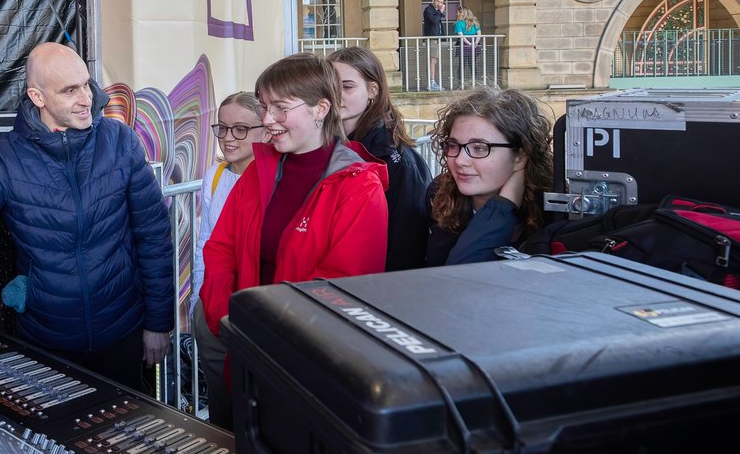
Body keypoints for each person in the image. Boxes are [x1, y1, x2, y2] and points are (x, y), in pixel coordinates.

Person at [0, 42, 173, 390]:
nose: (86, 99)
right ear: (37, 97)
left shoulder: (120, 142)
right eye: (69, 91)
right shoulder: (7, 156)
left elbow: (154, 237)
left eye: (85, 84)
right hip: (48, 341)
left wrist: (158, 323)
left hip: (121, 332)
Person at [200, 53, 389, 372]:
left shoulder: (358, 186)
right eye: (264, 106)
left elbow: (342, 285)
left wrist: (269, 332)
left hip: (308, 361)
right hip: (243, 341)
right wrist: (225, 317)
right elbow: (221, 248)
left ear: (321, 108)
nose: (268, 119)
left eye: (281, 108)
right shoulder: (257, 172)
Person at [192, 91, 267, 428]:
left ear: (264, 130)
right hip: (214, 311)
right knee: (222, 405)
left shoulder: (271, 180)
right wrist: (198, 302)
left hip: (251, 309)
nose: (228, 137)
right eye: (222, 128)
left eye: (240, 129)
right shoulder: (216, 176)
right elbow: (205, 244)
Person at [425, 86, 553, 266]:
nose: (460, 160)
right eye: (453, 145)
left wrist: (502, 209)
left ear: (520, 156)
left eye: (479, 148)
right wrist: (504, 204)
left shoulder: (552, 210)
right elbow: (451, 277)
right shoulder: (438, 194)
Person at [329, 46, 430, 271]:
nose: (336, 96)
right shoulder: (325, 146)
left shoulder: (398, 160)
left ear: (373, 90)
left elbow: (407, 244)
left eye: (346, 87)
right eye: (330, 87)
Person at [422, 0, 446, 92]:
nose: (439, 4)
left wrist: (440, 12)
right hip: (432, 38)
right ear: (433, 0)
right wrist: (440, 11)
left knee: (434, 60)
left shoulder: (436, 11)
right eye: (437, 1)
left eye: (441, 2)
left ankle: (432, 82)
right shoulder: (428, 10)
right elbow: (435, 21)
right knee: (432, 60)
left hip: (437, 38)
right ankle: (431, 82)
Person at [453, 8, 482, 72]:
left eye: (458, 12)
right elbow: (479, 34)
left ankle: (460, 81)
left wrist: (469, 44)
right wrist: (476, 43)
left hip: (463, 44)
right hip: (473, 43)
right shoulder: (475, 22)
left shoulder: (458, 23)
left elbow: (461, 36)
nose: (456, 14)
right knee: (472, 64)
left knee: (462, 64)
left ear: (462, 13)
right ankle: (474, 80)